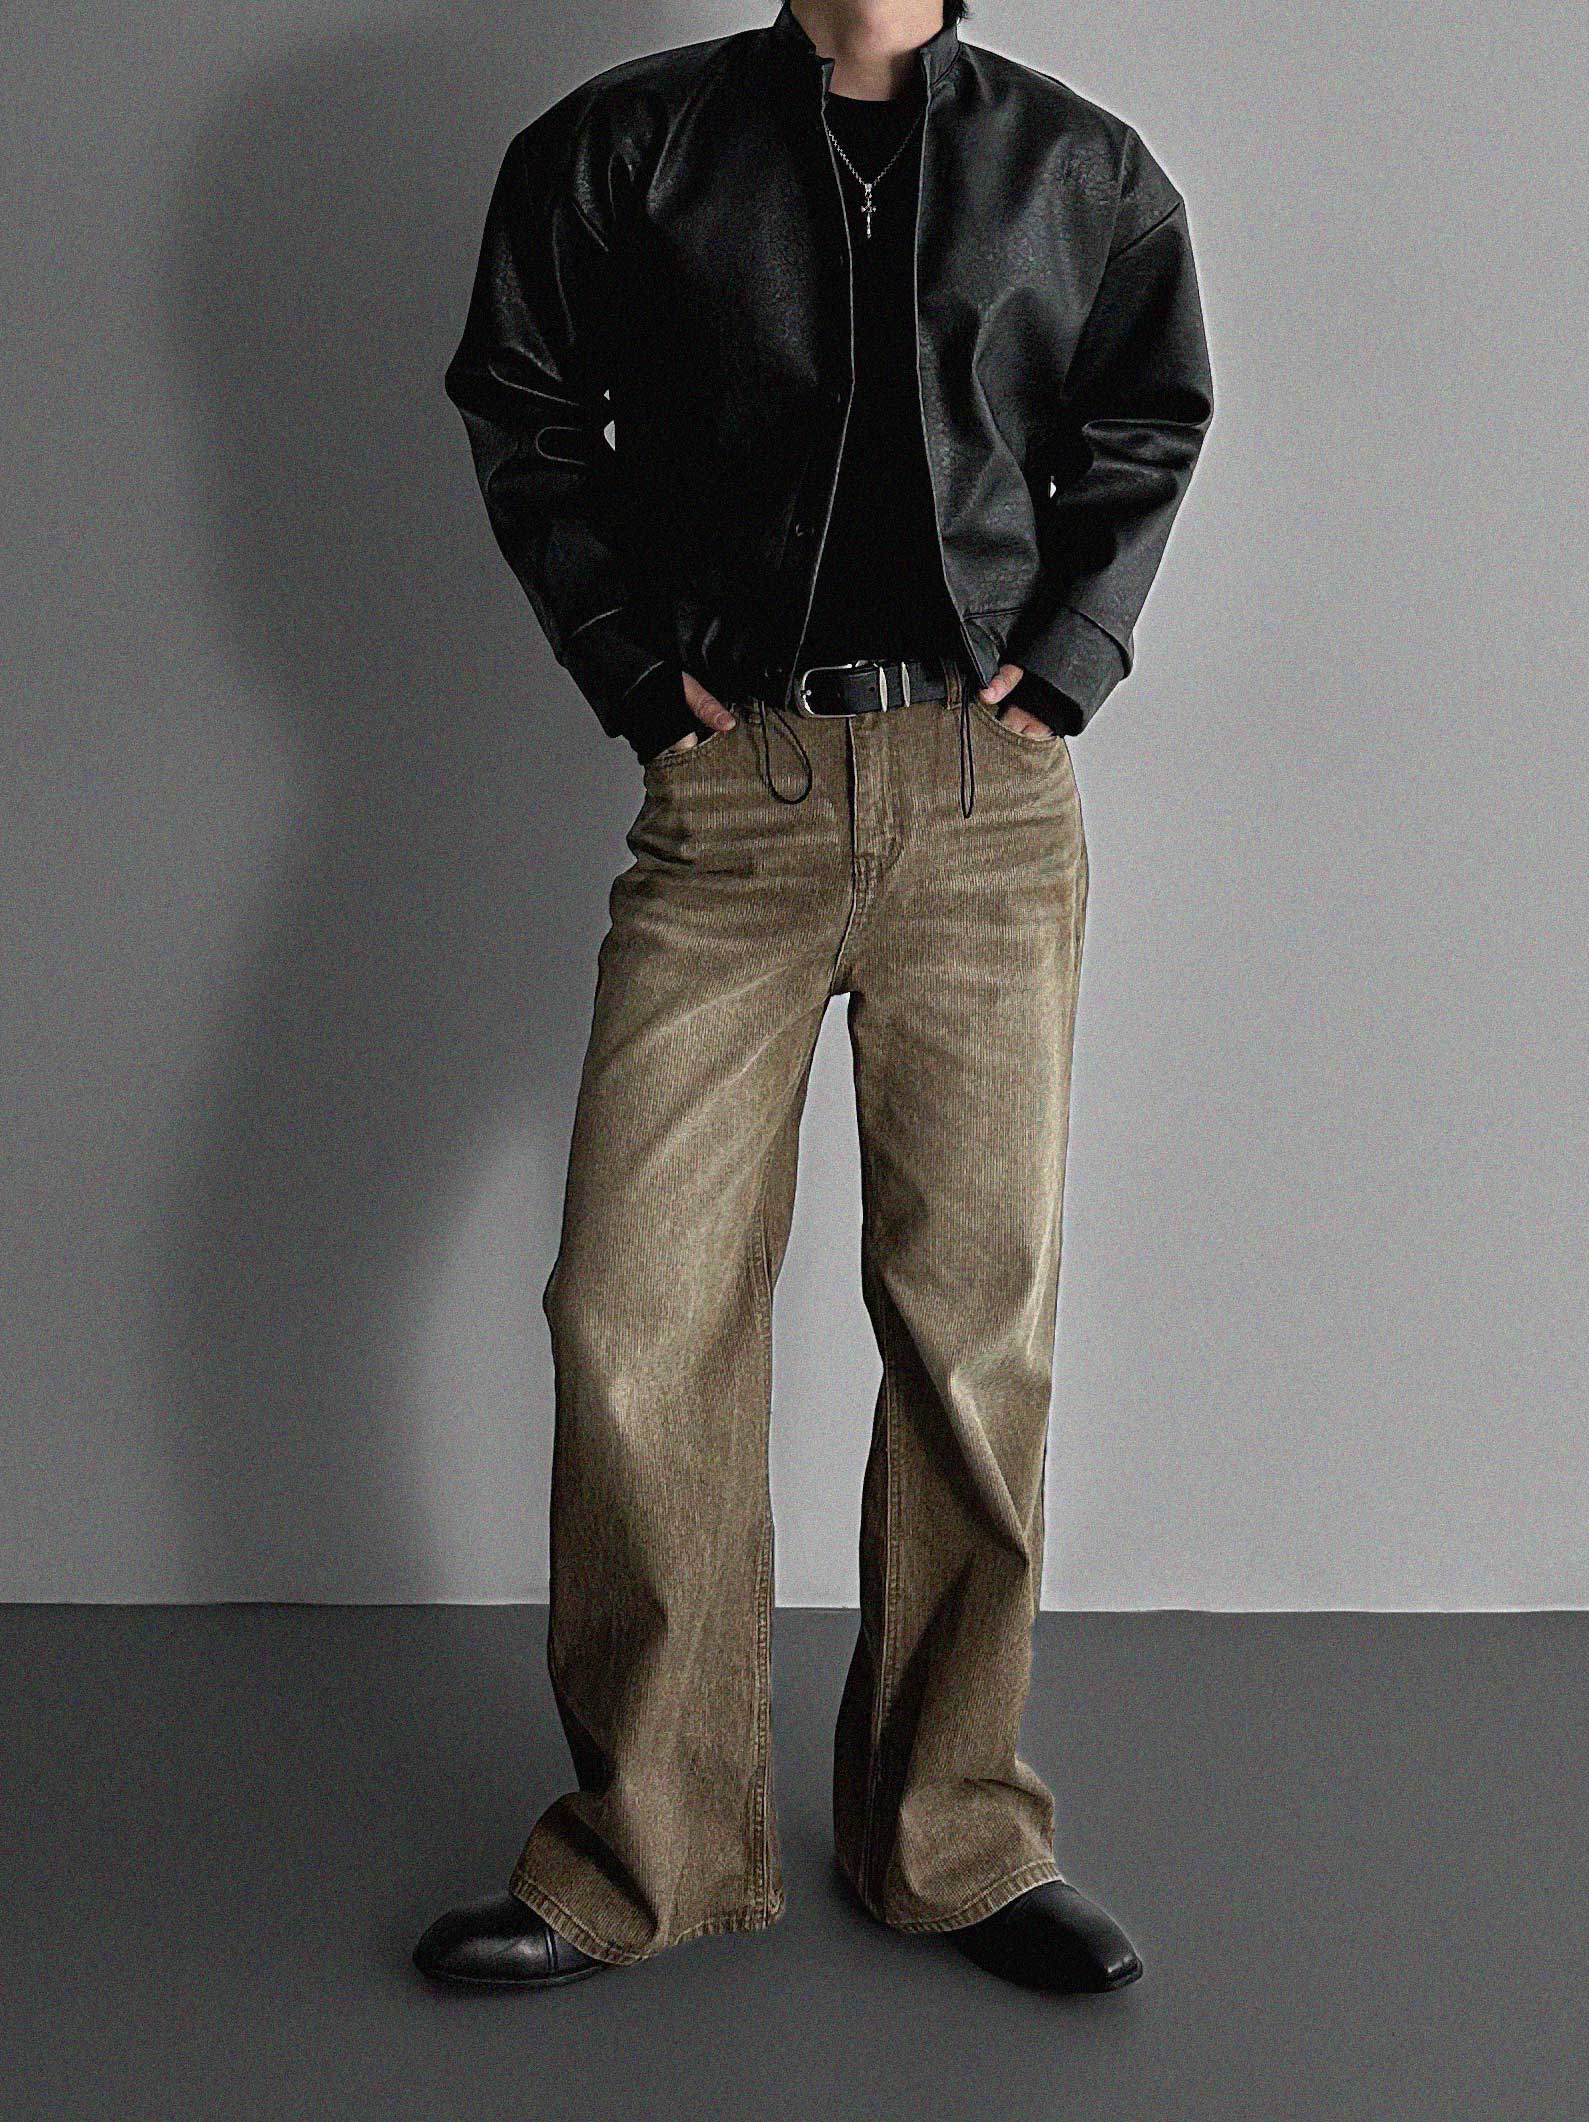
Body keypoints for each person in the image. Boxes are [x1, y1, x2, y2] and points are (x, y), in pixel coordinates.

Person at [416, 0, 1213, 1995]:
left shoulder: (1079, 167)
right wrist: (628, 667)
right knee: (634, 1310)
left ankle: (953, 1836)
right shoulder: (626, 150)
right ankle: (644, 1850)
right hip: (734, 797)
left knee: (973, 1326)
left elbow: (1146, 416)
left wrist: (1073, 655)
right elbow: (522, 400)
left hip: (985, 801)